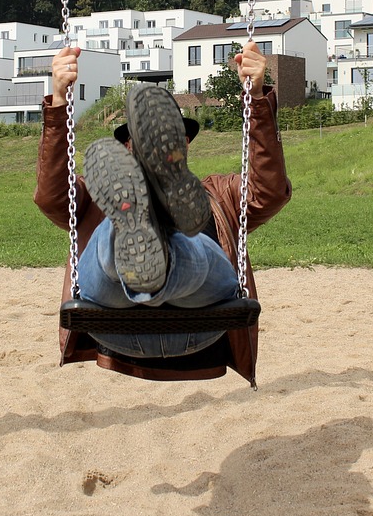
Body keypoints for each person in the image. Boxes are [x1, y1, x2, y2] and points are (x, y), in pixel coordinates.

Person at [34, 40, 291, 377]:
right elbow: (52, 197)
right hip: (116, 323)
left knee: (189, 240)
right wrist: (58, 101)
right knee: (116, 228)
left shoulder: (220, 194)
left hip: (199, 327)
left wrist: (257, 100)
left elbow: (268, 193)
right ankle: (142, 222)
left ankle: (159, 231)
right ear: (128, 146)